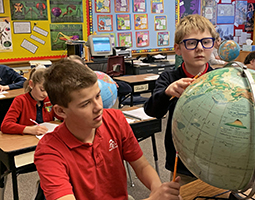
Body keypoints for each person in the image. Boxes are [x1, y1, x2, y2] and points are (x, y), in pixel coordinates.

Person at [34, 59, 182, 200]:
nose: (99, 107)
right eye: (85, 104)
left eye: (98, 96)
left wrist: (158, 191)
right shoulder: (49, 151)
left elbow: (142, 165)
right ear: (61, 111)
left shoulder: (115, 119)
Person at [144, 14, 217, 186]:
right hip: (183, 163)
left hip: (216, 160)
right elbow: (151, 110)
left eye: (206, 42)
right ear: (177, 49)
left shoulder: (221, 79)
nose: (200, 48)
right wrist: (167, 93)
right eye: (191, 43)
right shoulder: (169, 78)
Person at [1, 68, 59, 135]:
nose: (45, 94)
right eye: (42, 90)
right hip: (26, 140)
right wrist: (29, 129)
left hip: (45, 137)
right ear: (31, 84)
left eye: (48, 91)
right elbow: (5, 125)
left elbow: (62, 115)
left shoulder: (49, 100)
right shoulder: (20, 101)